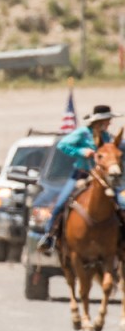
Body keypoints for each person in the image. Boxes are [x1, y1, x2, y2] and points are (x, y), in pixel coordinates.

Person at [37, 104, 123, 254]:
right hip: (82, 174)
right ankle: (49, 236)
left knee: (120, 203)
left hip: (101, 178)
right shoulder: (83, 133)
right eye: (108, 120)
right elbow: (63, 145)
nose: (110, 123)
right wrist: (81, 151)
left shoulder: (106, 137)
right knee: (61, 203)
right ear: (100, 121)